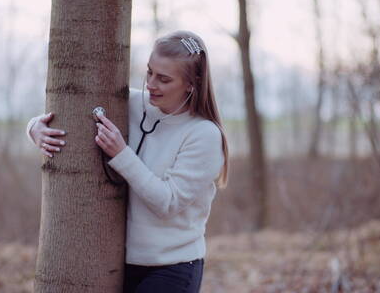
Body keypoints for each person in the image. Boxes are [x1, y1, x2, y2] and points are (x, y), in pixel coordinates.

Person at [26, 30, 229, 293]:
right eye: (150, 73)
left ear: (192, 84)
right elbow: (71, 110)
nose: (152, 84)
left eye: (164, 79)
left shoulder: (204, 134)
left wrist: (121, 154)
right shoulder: (133, 104)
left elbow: (168, 203)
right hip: (121, 265)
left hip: (173, 268)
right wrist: (35, 128)